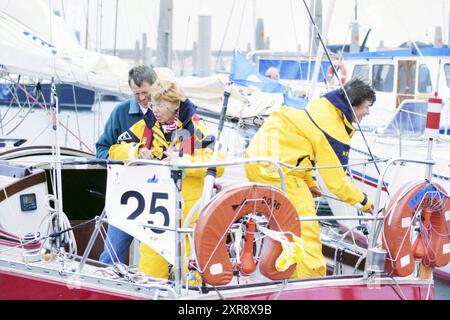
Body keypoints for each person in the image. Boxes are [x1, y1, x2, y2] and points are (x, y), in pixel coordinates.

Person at [245, 78, 375, 278]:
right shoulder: (332, 129)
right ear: (353, 104)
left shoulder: (320, 107)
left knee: (286, 226)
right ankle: (310, 281)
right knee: (307, 230)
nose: (368, 112)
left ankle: (284, 271)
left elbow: (300, 147)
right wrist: (364, 202)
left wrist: (309, 183)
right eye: (367, 107)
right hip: (279, 172)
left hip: (262, 163)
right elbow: (337, 182)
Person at [109, 79, 224, 279]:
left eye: (160, 105)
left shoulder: (196, 127)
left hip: (188, 210)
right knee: (150, 263)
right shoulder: (145, 127)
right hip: (155, 213)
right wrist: (137, 150)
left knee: (191, 263)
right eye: (152, 104)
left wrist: (184, 160)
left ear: (174, 104)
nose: (155, 109)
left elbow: (218, 163)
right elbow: (114, 150)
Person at [96, 65, 157, 264]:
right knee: (111, 255)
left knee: (157, 260)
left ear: (156, 88)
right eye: (136, 93)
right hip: (127, 196)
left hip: (158, 198)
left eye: (145, 93)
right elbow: (102, 151)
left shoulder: (173, 113)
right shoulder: (120, 112)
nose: (141, 98)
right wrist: (130, 156)